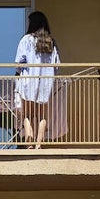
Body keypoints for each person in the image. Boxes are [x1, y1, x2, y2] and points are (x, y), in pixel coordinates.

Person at [14, 10, 60, 149]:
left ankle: (29, 144)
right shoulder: (50, 41)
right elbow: (57, 65)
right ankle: (39, 144)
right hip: (45, 83)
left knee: (27, 114)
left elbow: (18, 64)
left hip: (28, 81)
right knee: (42, 115)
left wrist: (19, 72)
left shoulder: (26, 40)